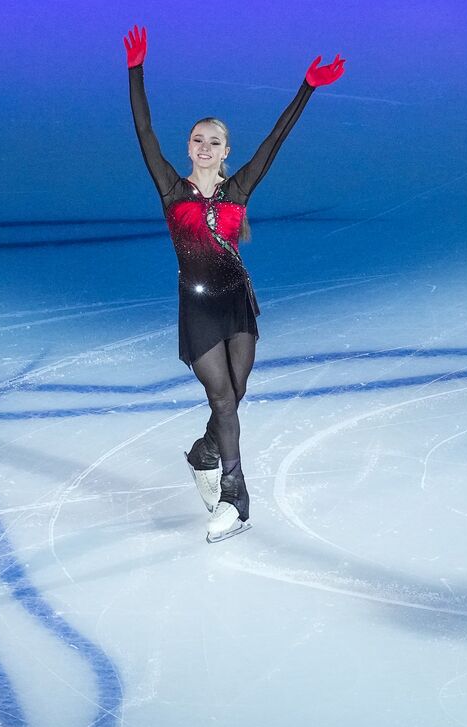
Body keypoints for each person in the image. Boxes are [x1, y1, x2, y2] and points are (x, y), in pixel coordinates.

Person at [123, 25, 345, 541]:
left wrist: (306, 87)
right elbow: (143, 131)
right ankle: (234, 496)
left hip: (237, 305)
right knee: (222, 398)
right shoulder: (171, 190)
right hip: (198, 309)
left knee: (236, 391)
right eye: (197, 140)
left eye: (214, 141)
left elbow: (275, 141)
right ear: (190, 147)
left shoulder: (240, 188)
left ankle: (205, 451)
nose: (204, 146)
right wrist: (136, 72)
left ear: (226, 151)